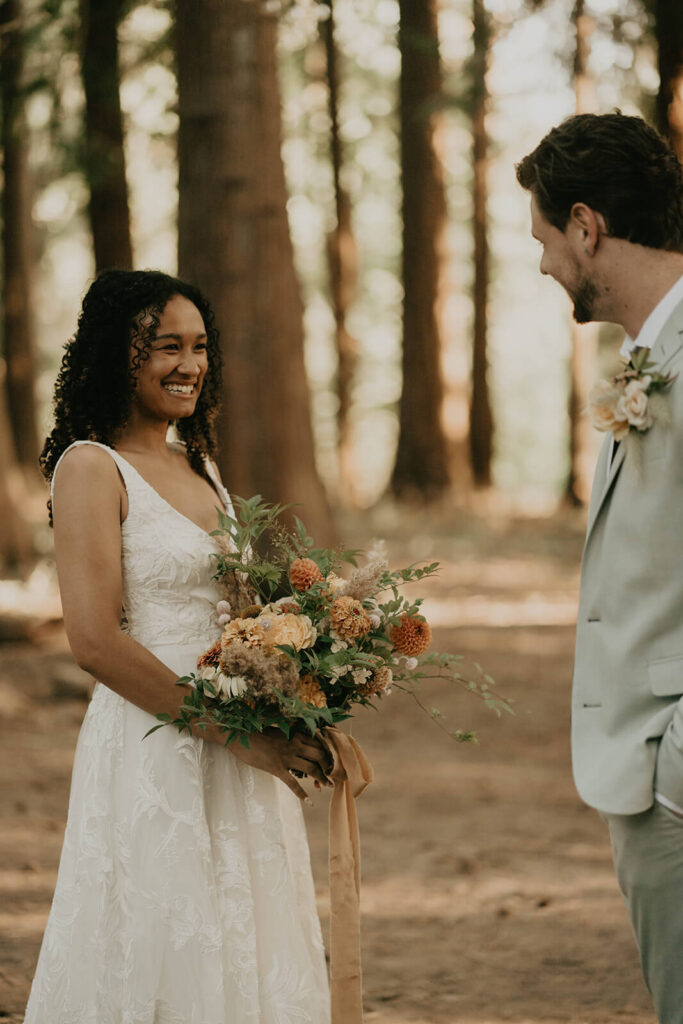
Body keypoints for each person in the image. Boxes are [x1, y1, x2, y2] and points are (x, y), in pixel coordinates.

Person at [24, 269, 332, 1023]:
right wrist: (230, 731)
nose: (188, 364)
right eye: (166, 347)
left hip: (237, 744)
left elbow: (235, 615)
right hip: (154, 739)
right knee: (159, 937)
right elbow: (93, 641)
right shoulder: (92, 467)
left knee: (240, 935)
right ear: (117, 354)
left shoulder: (202, 467)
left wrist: (298, 681)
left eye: (198, 347)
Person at [517, 112, 683, 1023]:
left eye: (544, 239)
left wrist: (674, 763)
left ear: (585, 226)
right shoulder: (649, 353)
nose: (543, 264)